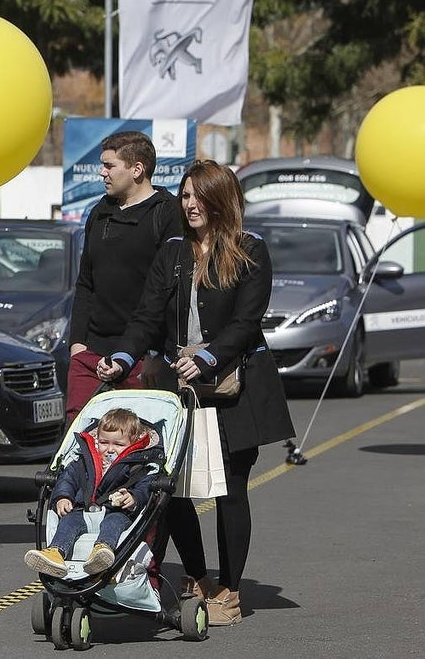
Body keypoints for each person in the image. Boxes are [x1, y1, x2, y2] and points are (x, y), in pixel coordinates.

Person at [97, 160, 295, 626]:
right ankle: (195, 576)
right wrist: (123, 357)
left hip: (234, 386)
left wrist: (207, 356)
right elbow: (146, 317)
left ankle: (229, 589)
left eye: (198, 196)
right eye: (184, 195)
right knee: (173, 488)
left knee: (230, 490)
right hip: (176, 390)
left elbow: (247, 324)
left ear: (221, 200)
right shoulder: (172, 252)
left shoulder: (250, 251)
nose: (189, 204)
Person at [67, 131, 181, 422]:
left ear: (137, 169)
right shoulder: (99, 212)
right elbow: (85, 283)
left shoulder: (167, 214)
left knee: (134, 448)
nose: (101, 172)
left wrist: (157, 353)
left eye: (109, 165)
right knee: (78, 443)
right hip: (91, 354)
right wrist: (78, 344)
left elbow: (173, 292)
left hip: (143, 358)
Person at [24, 407, 162, 577]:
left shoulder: (139, 466)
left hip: (117, 511)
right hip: (84, 510)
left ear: (134, 443)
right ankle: (55, 552)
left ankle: (102, 551)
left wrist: (133, 498)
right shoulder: (84, 459)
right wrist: (62, 497)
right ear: (97, 439)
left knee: (113, 524)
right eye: (104, 443)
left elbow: (144, 488)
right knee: (68, 522)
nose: (110, 449)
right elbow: (68, 478)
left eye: (118, 444)